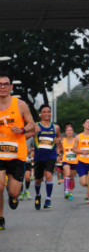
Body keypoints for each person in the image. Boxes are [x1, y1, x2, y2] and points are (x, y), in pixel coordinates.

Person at [0, 73, 36, 229]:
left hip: (16, 154)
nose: (2, 87)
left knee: (13, 192)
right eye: (0, 84)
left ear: (11, 87)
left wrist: (21, 130)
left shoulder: (20, 105)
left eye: (5, 84)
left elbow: (32, 125)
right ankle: (0, 217)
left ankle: (13, 197)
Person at [32, 104, 61, 210]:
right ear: (40, 114)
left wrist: (58, 151)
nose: (47, 114)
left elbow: (59, 139)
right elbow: (29, 136)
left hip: (51, 155)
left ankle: (48, 199)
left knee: (48, 175)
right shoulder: (36, 126)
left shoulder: (55, 127)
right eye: (44, 112)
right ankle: (38, 195)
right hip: (39, 157)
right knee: (38, 180)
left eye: (48, 111)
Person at [72, 118, 89, 204]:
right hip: (81, 162)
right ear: (83, 125)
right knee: (84, 183)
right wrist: (82, 152)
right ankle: (85, 181)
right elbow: (74, 149)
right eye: (87, 122)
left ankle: (87, 197)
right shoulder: (78, 137)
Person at [61, 123, 78, 201]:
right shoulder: (62, 141)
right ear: (65, 132)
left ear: (73, 132)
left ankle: (70, 191)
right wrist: (58, 154)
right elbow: (59, 149)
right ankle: (66, 191)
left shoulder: (76, 141)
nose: (69, 132)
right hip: (66, 160)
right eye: (68, 130)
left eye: (71, 130)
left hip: (74, 161)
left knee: (71, 177)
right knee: (67, 174)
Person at [19, 137, 35, 201]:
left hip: (27, 160)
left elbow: (34, 147)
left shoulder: (31, 138)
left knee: (27, 177)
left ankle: (27, 191)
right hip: (19, 160)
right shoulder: (18, 137)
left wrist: (31, 150)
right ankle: (22, 193)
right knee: (20, 179)